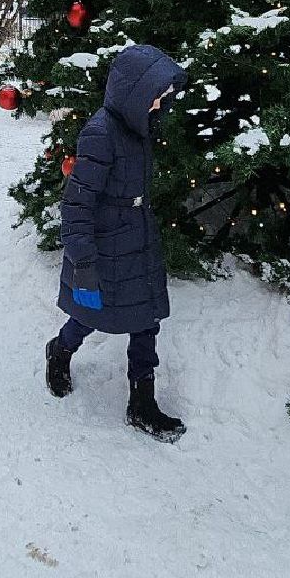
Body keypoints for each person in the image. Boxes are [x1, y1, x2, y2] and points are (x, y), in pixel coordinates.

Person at [44, 44, 189, 443]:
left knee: (146, 320)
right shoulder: (100, 134)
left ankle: (141, 403)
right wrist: (84, 263)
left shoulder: (138, 126)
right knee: (91, 315)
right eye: (156, 93)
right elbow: (76, 205)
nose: (162, 102)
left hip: (138, 239)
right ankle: (59, 350)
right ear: (135, 93)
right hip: (106, 248)